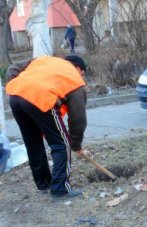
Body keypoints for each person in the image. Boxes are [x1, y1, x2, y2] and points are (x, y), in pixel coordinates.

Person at [6, 55, 88, 198]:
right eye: (83, 73)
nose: (82, 77)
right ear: (78, 68)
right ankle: (60, 189)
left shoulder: (44, 60)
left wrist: (19, 88)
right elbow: (78, 118)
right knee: (62, 144)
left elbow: (12, 69)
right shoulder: (75, 78)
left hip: (15, 97)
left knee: (33, 143)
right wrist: (75, 144)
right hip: (40, 98)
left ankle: (43, 184)